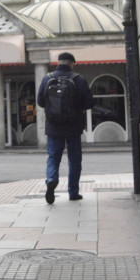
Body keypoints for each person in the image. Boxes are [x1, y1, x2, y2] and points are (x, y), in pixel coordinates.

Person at [37, 52, 93, 204]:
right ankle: (73, 192)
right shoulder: (78, 79)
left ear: (59, 62)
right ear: (72, 64)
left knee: (53, 157)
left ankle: (51, 180)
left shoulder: (47, 78)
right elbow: (89, 103)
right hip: (73, 126)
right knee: (74, 160)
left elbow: (40, 102)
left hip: (53, 126)